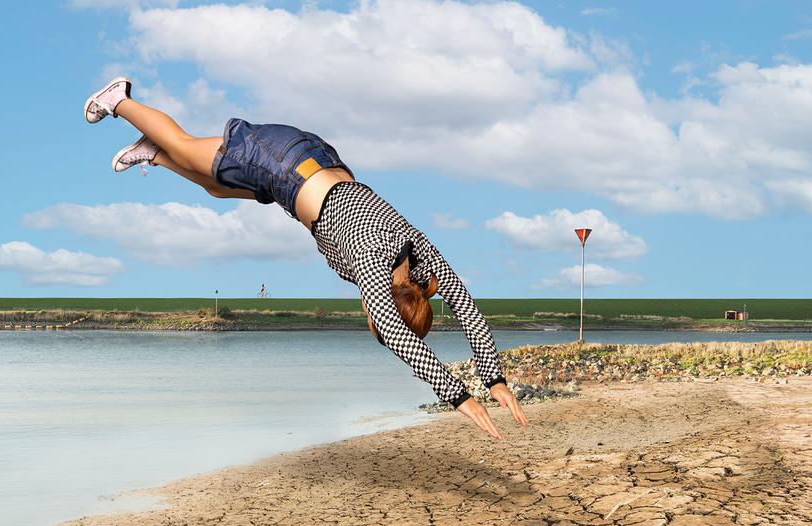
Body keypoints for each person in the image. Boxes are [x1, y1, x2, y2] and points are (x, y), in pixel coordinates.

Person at [83, 77, 528, 439]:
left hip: (308, 164)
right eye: (375, 316)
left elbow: (465, 305)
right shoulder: (375, 261)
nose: (369, 314)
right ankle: (118, 100)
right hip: (279, 163)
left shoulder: (418, 258)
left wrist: (495, 379)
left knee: (216, 186)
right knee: (186, 145)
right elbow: (399, 336)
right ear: (383, 307)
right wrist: (458, 396)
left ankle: (154, 154)